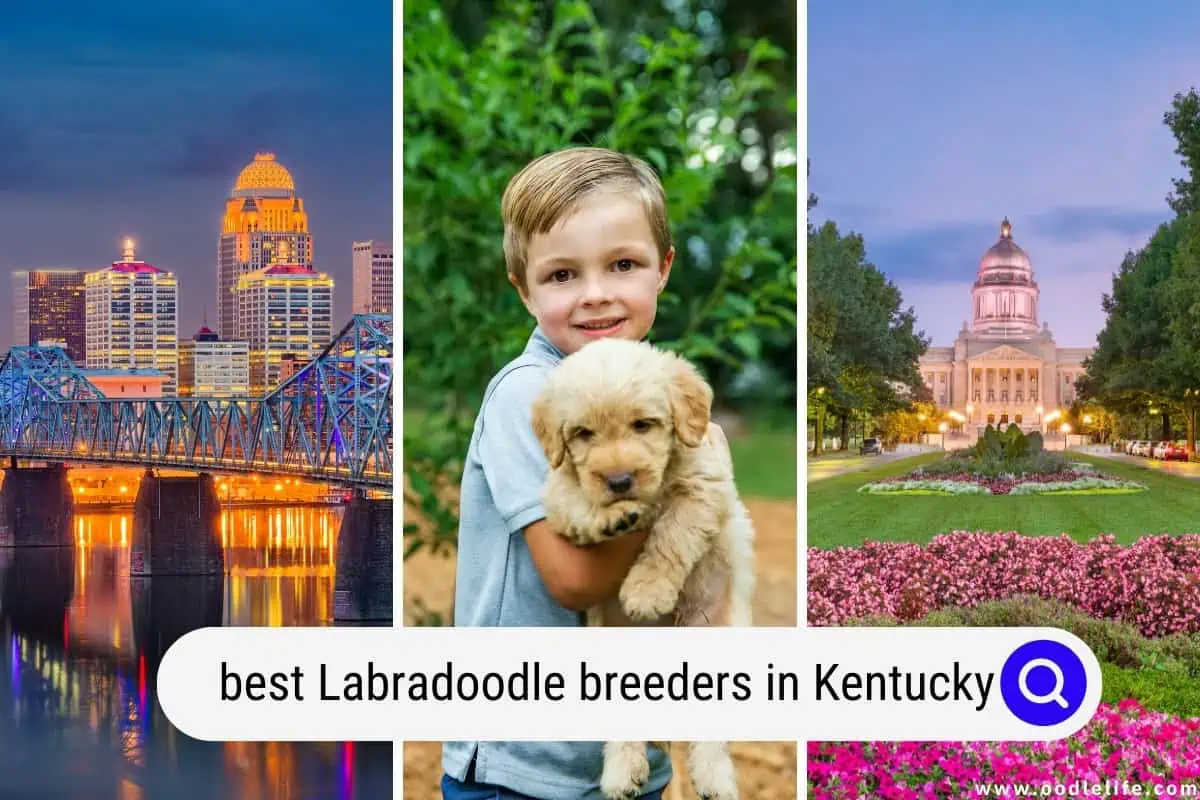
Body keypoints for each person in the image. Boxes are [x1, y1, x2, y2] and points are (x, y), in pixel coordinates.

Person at [439, 146, 730, 800]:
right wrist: (692, 478)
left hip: (626, 766)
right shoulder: (529, 394)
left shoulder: (656, 388)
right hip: (522, 769)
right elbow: (575, 580)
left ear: (663, 270)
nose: (596, 295)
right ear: (523, 288)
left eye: (623, 265)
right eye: (563, 275)